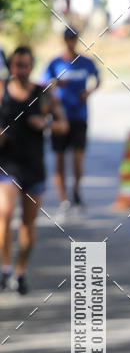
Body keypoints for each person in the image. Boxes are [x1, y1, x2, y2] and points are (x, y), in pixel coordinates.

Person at [0, 46, 68, 295]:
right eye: (17, 65)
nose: (21, 70)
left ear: (32, 66)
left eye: (26, 65)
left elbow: (63, 125)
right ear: (11, 66)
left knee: (28, 225)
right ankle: (5, 267)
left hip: (33, 166)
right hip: (7, 164)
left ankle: (19, 272)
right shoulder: (1, 90)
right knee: (4, 214)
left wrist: (47, 123)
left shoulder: (43, 95)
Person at [42, 26, 100, 219]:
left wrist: (89, 92)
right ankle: (63, 198)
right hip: (60, 117)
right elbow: (43, 84)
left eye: (74, 38)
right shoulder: (55, 63)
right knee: (59, 158)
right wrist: (55, 85)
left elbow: (97, 79)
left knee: (77, 157)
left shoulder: (85, 63)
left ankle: (76, 190)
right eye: (68, 38)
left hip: (79, 116)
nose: (71, 41)